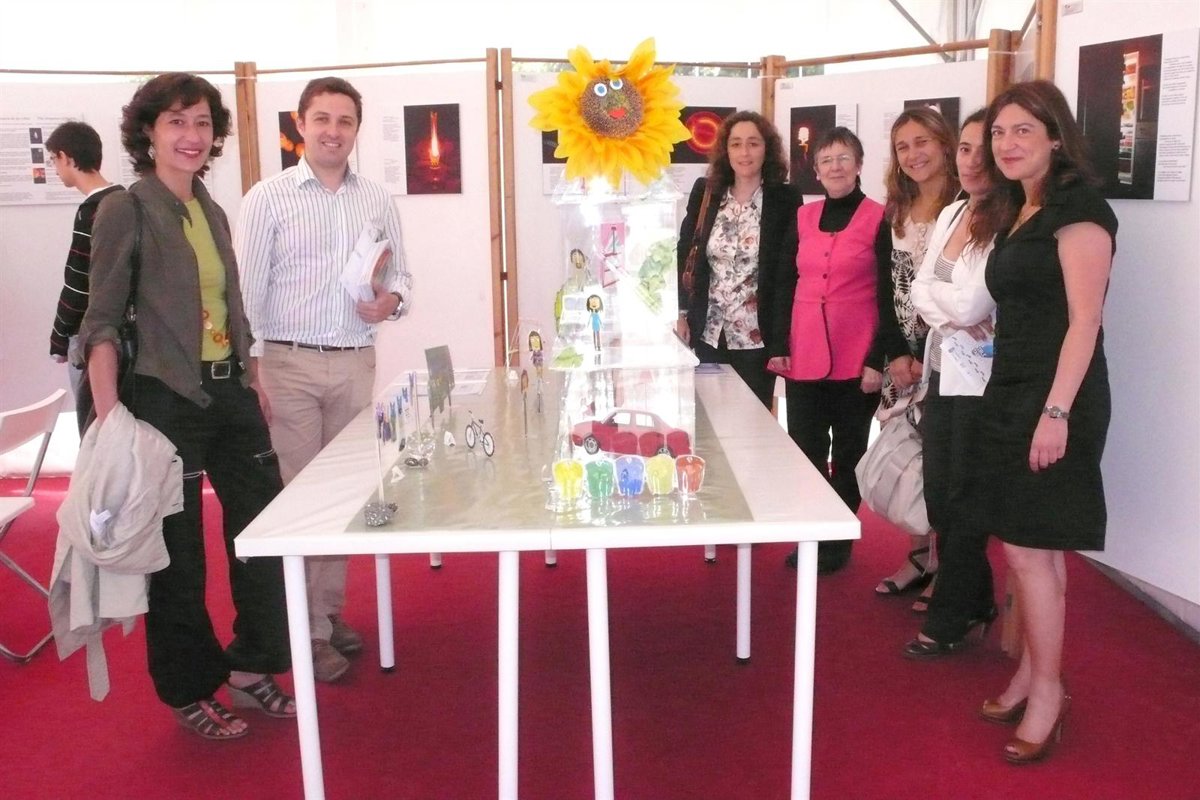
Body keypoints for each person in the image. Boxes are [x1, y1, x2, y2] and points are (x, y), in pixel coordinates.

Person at [79, 73, 293, 739]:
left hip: (229, 391)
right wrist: (110, 421)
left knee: (262, 531)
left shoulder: (210, 208)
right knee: (178, 554)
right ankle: (188, 686)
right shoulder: (126, 209)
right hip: (164, 399)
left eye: (202, 123)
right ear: (148, 132)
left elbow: (229, 306)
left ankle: (253, 662)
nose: (191, 136)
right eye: (176, 122)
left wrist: (250, 374)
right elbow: (100, 322)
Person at [236, 76, 413, 683]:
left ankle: (325, 613)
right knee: (300, 497)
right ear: (300, 125)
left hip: (356, 361)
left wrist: (391, 301)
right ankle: (305, 631)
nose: (333, 131)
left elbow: (402, 275)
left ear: (356, 129)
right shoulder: (268, 198)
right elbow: (247, 291)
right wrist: (252, 369)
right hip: (289, 364)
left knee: (345, 496)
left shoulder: (376, 199)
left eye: (345, 121)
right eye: (322, 119)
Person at [969, 80, 1116, 764]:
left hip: (1058, 396)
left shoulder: (1079, 210)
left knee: (1031, 551)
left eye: (1023, 130)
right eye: (999, 132)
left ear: (1056, 137)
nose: (1007, 144)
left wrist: (1055, 413)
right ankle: (1033, 672)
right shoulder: (1019, 209)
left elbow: (1086, 322)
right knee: (1030, 550)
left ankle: (1050, 691)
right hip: (1012, 388)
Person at [902, 109, 999, 658]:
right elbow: (922, 289)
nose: (973, 160)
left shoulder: (1008, 217)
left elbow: (973, 303)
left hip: (983, 381)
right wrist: (949, 312)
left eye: (984, 149)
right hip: (941, 369)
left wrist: (947, 308)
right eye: (965, 148)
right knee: (940, 495)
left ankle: (948, 618)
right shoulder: (953, 211)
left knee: (965, 499)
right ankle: (978, 598)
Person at [768, 127, 886, 574]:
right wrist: (779, 343)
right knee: (806, 450)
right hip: (805, 352)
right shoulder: (803, 217)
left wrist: (877, 358)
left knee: (851, 451)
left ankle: (837, 539)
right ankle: (812, 532)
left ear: (859, 164)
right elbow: (785, 282)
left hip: (858, 354)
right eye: (826, 160)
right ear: (815, 170)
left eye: (843, 158)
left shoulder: (880, 217)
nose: (835, 167)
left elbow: (889, 294)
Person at [872, 107, 960, 602]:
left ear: (945, 144)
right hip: (902, 361)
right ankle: (918, 557)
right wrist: (895, 354)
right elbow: (883, 291)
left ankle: (949, 567)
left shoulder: (968, 206)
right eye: (902, 146)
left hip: (950, 357)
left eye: (922, 141)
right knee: (908, 458)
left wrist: (927, 354)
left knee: (944, 465)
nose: (913, 154)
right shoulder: (895, 210)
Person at [677, 110, 802, 409]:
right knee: (708, 419)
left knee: (752, 420)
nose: (744, 152)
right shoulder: (705, 192)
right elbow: (684, 252)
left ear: (767, 149)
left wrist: (781, 342)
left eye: (753, 143)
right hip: (707, 332)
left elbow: (787, 274)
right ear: (726, 150)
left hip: (756, 338)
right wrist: (681, 312)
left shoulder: (785, 199)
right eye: (736, 144)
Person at [45, 121, 123, 434]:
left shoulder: (91, 210)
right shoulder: (123, 201)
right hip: (123, 333)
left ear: (66, 157)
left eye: (54, 160)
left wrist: (59, 338)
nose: (55, 169)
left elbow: (78, 282)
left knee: (92, 427)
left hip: (91, 334)